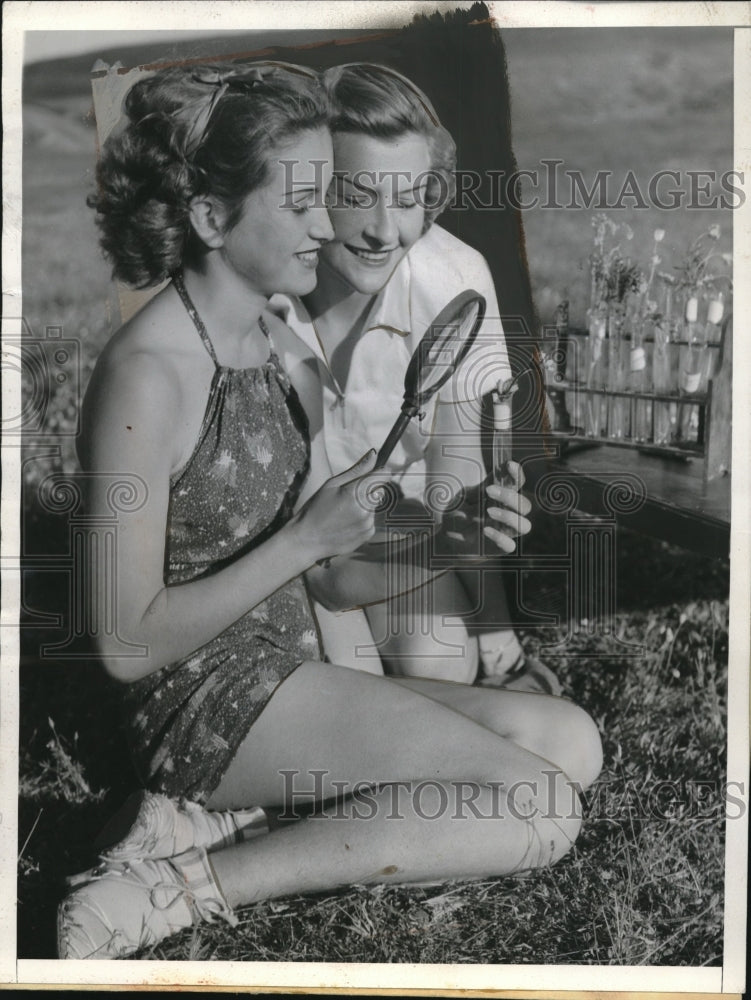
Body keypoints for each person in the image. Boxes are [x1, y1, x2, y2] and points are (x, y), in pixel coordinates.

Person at [57, 61, 602, 962]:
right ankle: (178, 889)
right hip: (204, 701)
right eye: (307, 200)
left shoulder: (280, 348)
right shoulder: (144, 375)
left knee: (571, 742)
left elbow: (338, 577)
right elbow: (122, 646)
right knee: (543, 808)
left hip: (290, 666)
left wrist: (445, 541)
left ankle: (226, 822)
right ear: (210, 218)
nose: (332, 224)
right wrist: (305, 540)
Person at [269, 63, 560, 691]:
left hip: (402, 542)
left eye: (408, 199)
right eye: (356, 194)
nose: (385, 230)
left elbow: (454, 498)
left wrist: (497, 643)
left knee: (441, 663)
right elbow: (314, 560)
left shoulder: (455, 279)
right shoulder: (265, 290)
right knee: (347, 685)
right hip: (284, 549)